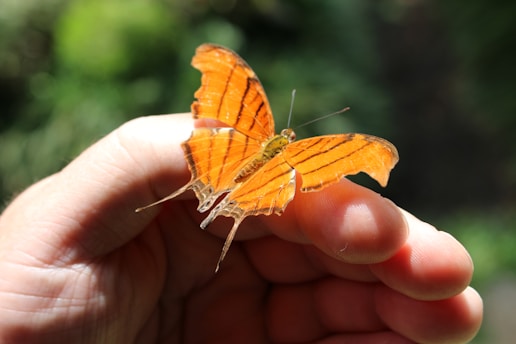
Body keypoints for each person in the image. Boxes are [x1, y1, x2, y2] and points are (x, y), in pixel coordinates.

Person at [0, 113, 483, 343]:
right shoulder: (301, 152)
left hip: (237, 162)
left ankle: (213, 202)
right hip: (256, 179)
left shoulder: (259, 131)